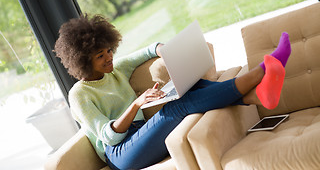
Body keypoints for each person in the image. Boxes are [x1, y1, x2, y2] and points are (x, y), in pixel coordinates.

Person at [54, 14, 291, 170]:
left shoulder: (115, 70)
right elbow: (109, 136)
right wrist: (136, 104)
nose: (109, 58)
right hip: (120, 154)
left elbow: (148, 50)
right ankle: (261, 72)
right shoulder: (79, 95)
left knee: (190, 86)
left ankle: (257, 95)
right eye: (100, 56)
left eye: (108, 50)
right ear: (83, 61)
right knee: (176, 108)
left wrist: (164, 50)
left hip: (141, 135)